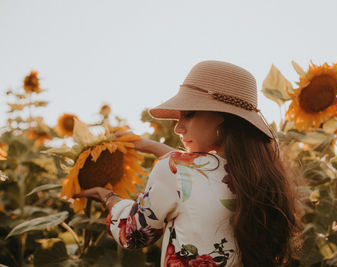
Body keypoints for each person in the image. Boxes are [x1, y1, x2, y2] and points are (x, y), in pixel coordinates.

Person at [74, 60, 300, 266]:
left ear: (223, 116)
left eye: (189, 114)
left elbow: (133, 234)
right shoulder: (261, 177)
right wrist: (150, 145)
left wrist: (108, 196)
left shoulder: (175, 170)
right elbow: (198, 174)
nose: (178, 127)